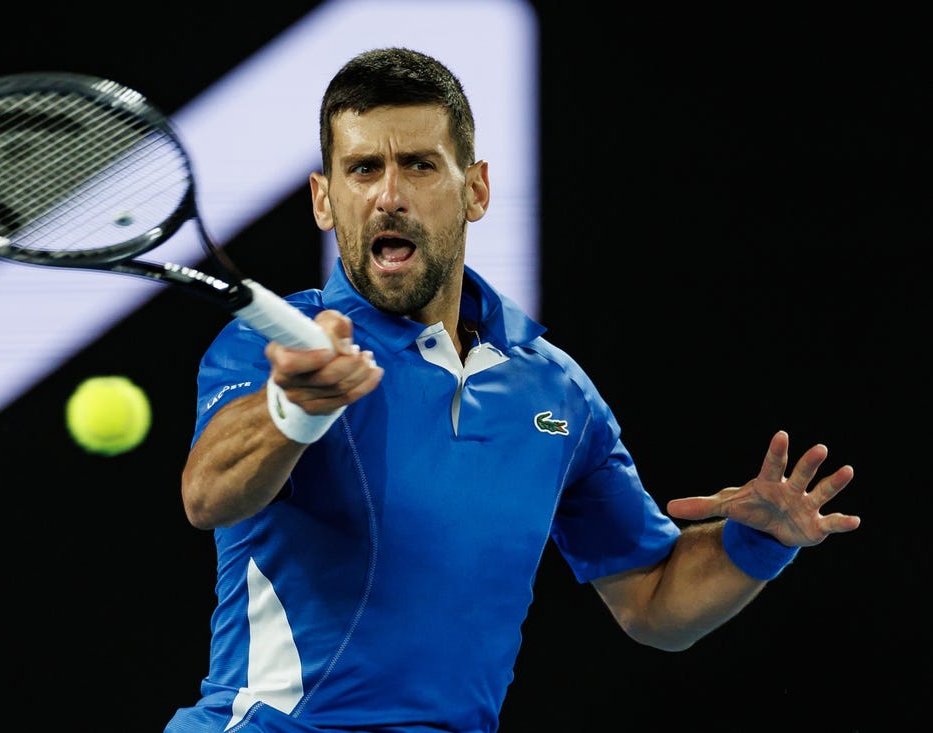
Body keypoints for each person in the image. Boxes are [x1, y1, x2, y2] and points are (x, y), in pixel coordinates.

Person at [164, 47, 860, 733]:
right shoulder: (279, 348)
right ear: (325, 197)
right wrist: (294, 407)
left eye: (419, 164)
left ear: (477, 189)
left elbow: (652, 603)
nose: (389, 195)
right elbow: (208, 494)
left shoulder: (557, 392)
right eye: (364, 168)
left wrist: (757, 544)